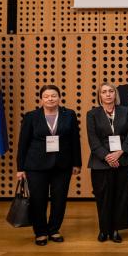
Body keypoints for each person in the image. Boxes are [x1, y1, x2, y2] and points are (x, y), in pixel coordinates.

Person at [16, 85, 82, 246]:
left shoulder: (69, 115)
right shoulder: (31, 117)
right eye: (46, 96)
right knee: (38, 200)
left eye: (53, 96)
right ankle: (40, 232)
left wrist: (77, 163)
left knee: (59, 199)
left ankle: (54, 229)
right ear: (41, 99)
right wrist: (20, 168)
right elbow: (23, 143)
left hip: (63, 165)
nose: (50, 99)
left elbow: (75, 140)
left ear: (59, 97)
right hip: (36, 165)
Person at [87, 82, 128, 243]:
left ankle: (115, 229)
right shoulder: (92, 114)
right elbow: (93, 140)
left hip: (122, 160)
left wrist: (120, 153)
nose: (108, 94)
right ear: (99, 95)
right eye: (104, 92)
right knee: (103, 197)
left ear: (115, 94)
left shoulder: (125, 111)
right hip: (101, 163)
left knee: (120, 196)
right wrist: (107, 156)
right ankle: (104, 229)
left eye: (111, 91)